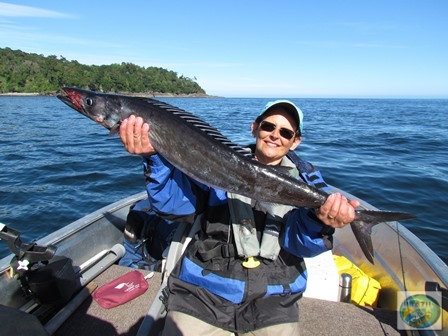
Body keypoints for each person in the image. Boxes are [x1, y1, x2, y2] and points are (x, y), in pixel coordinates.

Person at [119, 100, 360, 335]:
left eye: (286, 132)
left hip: (273, 299)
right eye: (268, 126)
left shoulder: (308, 182)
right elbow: (174, 206)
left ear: (295, 141)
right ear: (254, 127)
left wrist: (321, 223)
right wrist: (154, 158)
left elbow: (299, 244)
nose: (275, 135)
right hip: (204, 290)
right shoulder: (218, 159)